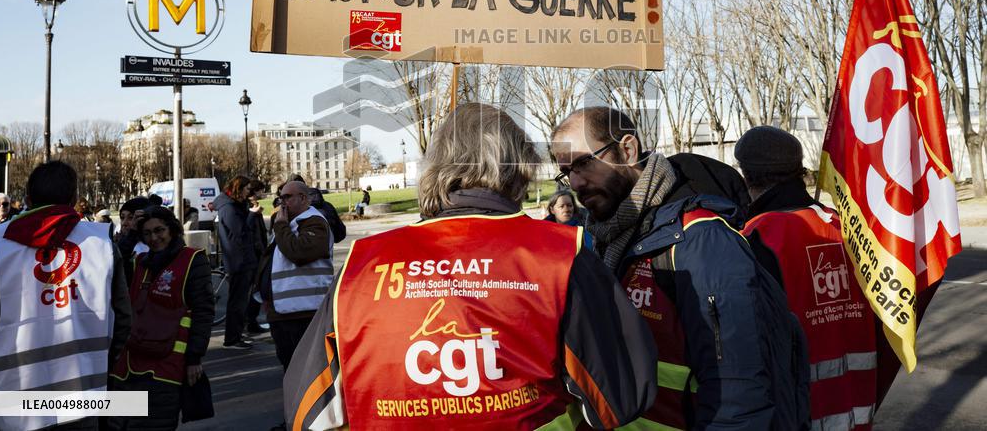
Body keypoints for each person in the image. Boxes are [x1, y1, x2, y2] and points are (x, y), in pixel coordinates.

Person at [285, 103, 658, 429]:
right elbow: (620, 399)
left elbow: (306, 412)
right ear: (516, 171)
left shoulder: (361, 265)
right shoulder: (561, 255)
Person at [552, 107, 804, 430]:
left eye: (584, 162)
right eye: (566, 172)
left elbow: (739, 393)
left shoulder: (701, 239)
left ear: (627, 150)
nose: (574, 182)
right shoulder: (600, 240)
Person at [736, 125, 878, 429]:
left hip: (798, 411)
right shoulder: (843, 225)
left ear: (746, 175)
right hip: (858, 404)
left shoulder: (758, 236)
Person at [0, 161, 131, 431]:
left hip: (9, 407)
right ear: (75, 199)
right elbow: (123, 320)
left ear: (28, 199)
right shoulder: (102, 245)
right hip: (82, 401)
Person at [109, 207, 214, 430]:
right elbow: (114, 261)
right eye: (146, 233)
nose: (154, 238)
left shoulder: (193, 260)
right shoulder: (140, 262)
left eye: (159, 230)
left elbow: (203, 312)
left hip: (165, 369)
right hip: (128, 366)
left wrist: (195, 358)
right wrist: (132, 234)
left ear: (173, 229)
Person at [254, 180, 333, 431]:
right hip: (284, 312)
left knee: (308, 375)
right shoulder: (289, 224)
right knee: (291, 372)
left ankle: (311, 421)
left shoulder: (315, 222)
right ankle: (295, 418)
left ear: (304, 198)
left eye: (287, 197)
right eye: (280, 198)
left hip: (305, 311)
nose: (282, 203)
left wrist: (280, 227)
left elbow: (298, 252)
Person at [216, 175, 257, 349]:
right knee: (237, 302)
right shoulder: (229, 208)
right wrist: (252, 215)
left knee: (239, 301)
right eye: (247, 189)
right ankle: (232, 338)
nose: (250, 193)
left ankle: (235, 335)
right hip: (238, 261)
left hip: (240, 259)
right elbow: (240, 232)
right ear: (239, 189)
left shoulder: (232, 206)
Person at [245, 180, 269, 335]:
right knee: (255, 289)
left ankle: (251, 321)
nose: (262, 193)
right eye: (261, 190)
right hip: (255, 254)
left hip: (257, 252)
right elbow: (249, 230)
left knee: (256, 289)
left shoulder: (253, 206)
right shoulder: (249, 208)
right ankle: (250, 321)